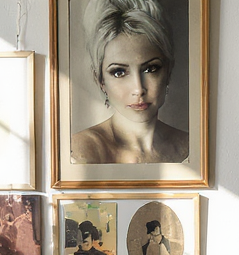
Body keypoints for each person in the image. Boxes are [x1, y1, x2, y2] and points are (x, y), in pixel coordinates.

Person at [71, 0, 188, 164]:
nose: (138, 89)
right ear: (100, 80)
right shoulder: (81, 150)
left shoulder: (189, 147)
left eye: (151, 69)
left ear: (168, 71)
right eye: (119, 72)